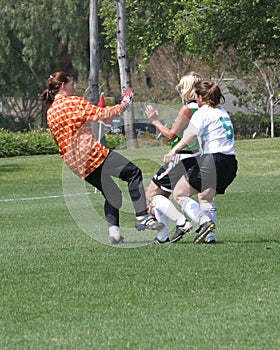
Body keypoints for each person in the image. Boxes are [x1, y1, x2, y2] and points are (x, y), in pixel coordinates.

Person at [40, 71, 164, 245]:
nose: (74, 87)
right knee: (134, 173)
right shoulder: (73, 102)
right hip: (91, 154)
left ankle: (114, 234)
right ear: (63, 86)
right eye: (72, 83)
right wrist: (124, 104)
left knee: (112, 193)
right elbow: (102, 114)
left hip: (75, 163)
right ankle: (142, 216)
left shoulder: (51, 111)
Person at [164, 80, 238, 244]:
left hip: (213, 159)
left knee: (179, 193)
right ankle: (209, 237)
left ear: (200, 97)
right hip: (230, 162)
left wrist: (174, 150)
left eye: (195, 96)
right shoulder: (222, 111)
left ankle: (204, 222)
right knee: (205, 198)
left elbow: (191, 134)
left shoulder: (202, 112)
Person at [145, 72, 215, 244]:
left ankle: (181, 222)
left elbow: (171, 135)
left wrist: (155, 121)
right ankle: (163, 237)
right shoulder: (204, 108)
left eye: (182, 87)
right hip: (197, 156)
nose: (181, 91)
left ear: (189, 89)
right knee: (177, 195)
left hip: (182, 157)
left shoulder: (188, 109)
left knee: (151, 195)